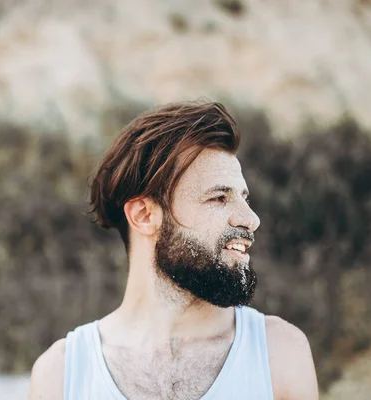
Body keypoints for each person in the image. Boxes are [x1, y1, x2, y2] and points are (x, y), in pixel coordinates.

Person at [28, 101, 319, 400]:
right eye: (219, 198)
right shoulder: (62, 376)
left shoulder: (279, 356)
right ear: (143, 215)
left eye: (244, 198)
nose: (251, 219)